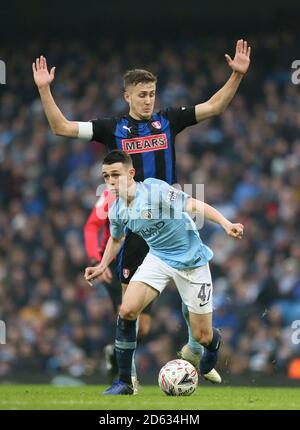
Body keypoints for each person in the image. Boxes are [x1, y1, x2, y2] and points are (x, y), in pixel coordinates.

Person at [32, 39, 250, 381]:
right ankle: (126, 379)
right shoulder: (111, 129)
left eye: (152, 93)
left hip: (173, 219)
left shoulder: (168, 120)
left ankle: (198, 342)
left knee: (186, 282)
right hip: (134, 227)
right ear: (127, 96)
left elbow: (214, 107)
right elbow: (61, 127)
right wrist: (45, 89)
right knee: (134, 313)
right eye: (142, 94)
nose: (148, 99)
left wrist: (236, 75)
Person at [84, 150, 244, 395]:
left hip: (191, 260)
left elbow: (192, 203)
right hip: (158, 258)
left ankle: (214, 342)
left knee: (202, 336)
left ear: (131, 173)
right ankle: (125, 382)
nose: (111, 181)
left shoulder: (154, 190)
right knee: (126, 310)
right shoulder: (116, 209)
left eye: (116, 175)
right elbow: (116, 240)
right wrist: (102, 265)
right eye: (106, 177)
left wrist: (226, 224)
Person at [84, 188, 152, 385]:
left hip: (145, 263)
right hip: (114, 263)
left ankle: (115, 352)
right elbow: (91, 226)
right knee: (127, 314)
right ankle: (128, 379)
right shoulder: (110, 196)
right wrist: (96, 259)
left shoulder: (149, 193)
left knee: (143, 328)